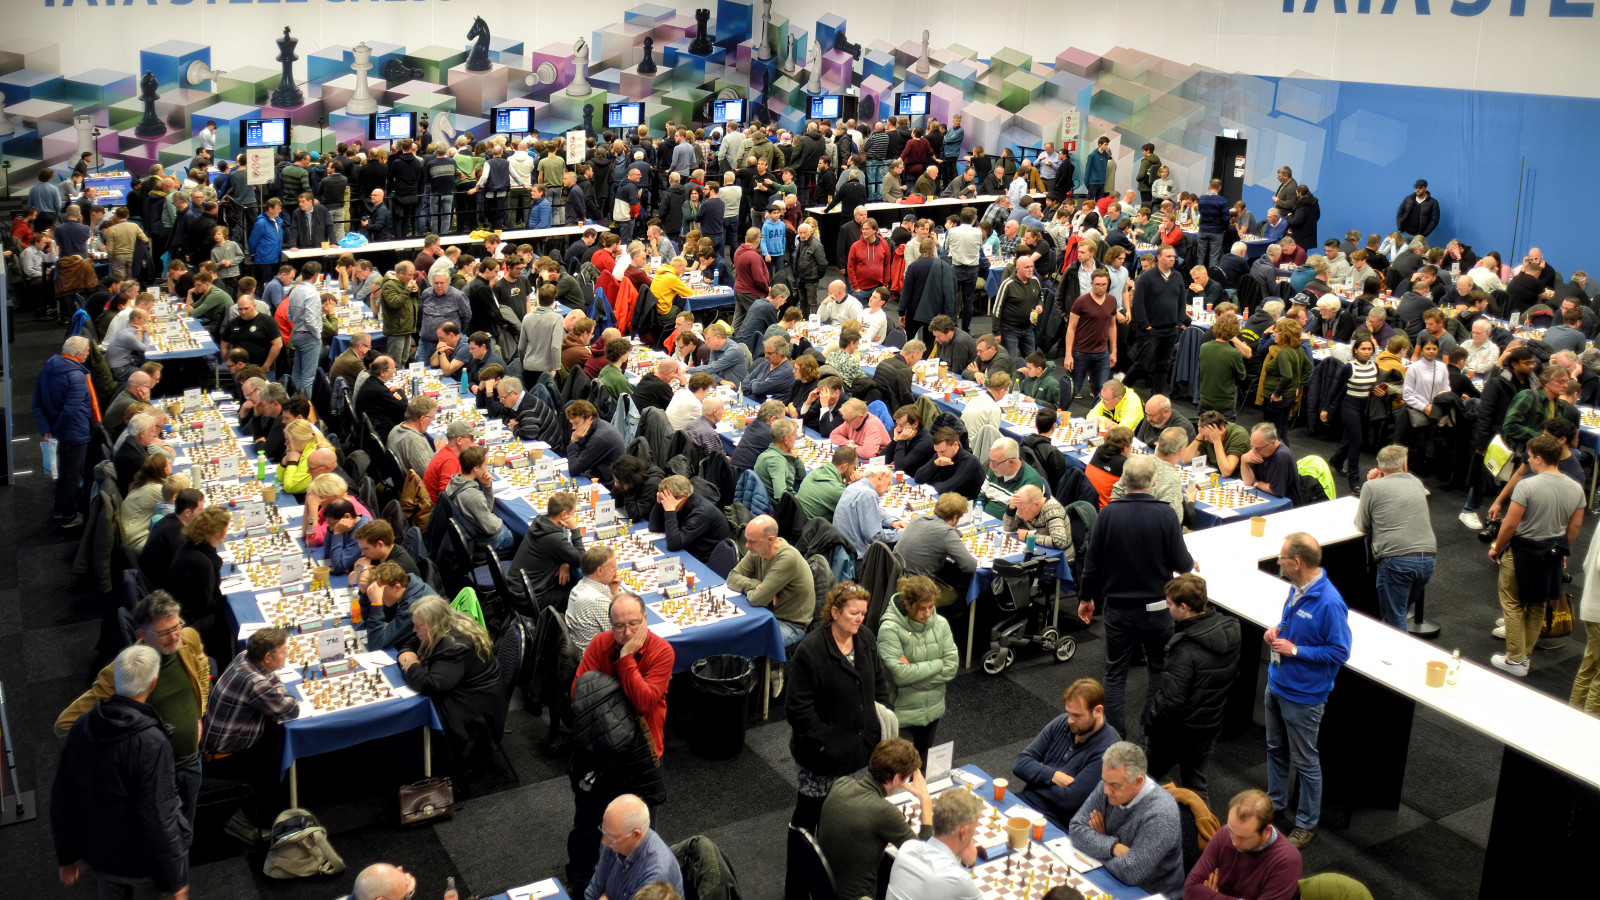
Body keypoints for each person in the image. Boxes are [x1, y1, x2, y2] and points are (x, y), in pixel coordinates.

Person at [52, 645, 191, 900]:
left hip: (100, 855)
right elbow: (159, 815)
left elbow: (62, 794)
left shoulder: (83, 724)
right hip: (140, 864)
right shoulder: (151, 741)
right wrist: (175, 879)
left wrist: (68, 854)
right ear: (154, 683)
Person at [1078, 455, 1193, 735]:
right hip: (1157, 609)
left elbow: (1091, 564)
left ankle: (1115, 736)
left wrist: (1085, 598)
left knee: (1115, 673)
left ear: (1123, 481)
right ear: (1154, 482)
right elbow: (1184, 564)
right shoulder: (1166, 514)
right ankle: (1149, 732)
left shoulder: (1107, 514)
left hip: (1118, 608)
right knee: (1157, 669)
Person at [568, 594, 674, 890]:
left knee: (637, 834)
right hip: (599, 753)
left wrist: (626, 657)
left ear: (645, 620)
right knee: (588, 825)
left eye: (633, 624)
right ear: (609, 624)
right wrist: (621, 690)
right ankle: (580, 881)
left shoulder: (661, 651)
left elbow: (643, 702)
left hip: (641, 754)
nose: (626, 632)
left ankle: (638, 889)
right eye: (618, 626)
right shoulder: (600, 643)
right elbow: (580, 693)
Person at [1265, 533, 1353, 849]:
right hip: (1276, 682)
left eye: (1282, 558)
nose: (1278, 562)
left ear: (1297, 562)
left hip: (1303, 696)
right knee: (1275, 747)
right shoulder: (1296, 588)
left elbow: (1340, 652)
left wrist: (1296, 651)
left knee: (1305, 760)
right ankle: (1274, 803)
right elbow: (1292, 626)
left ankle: (1306, 824)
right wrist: (1278, 630)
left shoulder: (1330, 602)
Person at [786, 583, 889, 831]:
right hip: (821, 758)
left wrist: (880, 723)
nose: (860, 619)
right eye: (854, 613)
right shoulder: (810, 651)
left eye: (863, 614)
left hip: (861, 750)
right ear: (834, 612)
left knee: (850, 819)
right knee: (810, 819)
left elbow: (878, 683)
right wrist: (826, 744)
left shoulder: (865, 638)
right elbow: (798, 710)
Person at [1489, 435, 1586, 677]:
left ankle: (1515, 659)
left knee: (1511, 602)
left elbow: (1510, 525)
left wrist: (1496, 548)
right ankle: (1525, 658)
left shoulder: (1527, 486)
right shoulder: (1576, 489)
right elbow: (1574, 528)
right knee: (1537, 605)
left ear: (1539, 458)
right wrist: (1565, 551)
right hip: (1553, 553)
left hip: (1523, 551)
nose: (1529, 461)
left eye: (1530, 457)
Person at [1143, 574, 1238, 802]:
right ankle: (1204, 835)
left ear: (1184, 607)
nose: (1167, 607)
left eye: (1170, 603)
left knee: (1143, 783)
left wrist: (1150, 722)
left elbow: (1170, 702)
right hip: (1209, 724)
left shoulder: (1184, 648)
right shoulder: (1232, 629)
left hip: (1178, 732)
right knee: (1196, 789)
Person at [200, 627, 299, 842]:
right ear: (267, 657)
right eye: (283, 652)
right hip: (225, 757)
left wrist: (278, 687)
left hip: (218, 742)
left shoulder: (245, 656)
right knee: (273, 765)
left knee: (274, 735)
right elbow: (291, 709)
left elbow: (272, 680)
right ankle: (242, 820)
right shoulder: (256, 683)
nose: (287, 655)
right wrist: (281, 691)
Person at [818, 738, 935, 900]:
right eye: (906, 779)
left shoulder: (842, 784)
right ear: (895, 779)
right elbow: (924, 859)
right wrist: (925, 802)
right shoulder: (884, 812)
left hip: (825, 887)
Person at [398, 596, 505, 766]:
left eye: (419, 626)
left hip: (474, 711)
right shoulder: (446, 622)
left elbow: (431, 685)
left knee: (412, 711)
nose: (414, 630)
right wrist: (408, 656)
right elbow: (409, 646)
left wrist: (411, 665)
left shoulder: (453, 645)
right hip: (476, 696)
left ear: (433, 624)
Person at [1068, 741, 1185, 897]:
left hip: (1148, 892)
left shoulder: (1161, 813)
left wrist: (1094, 842)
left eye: (1114, 785)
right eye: (1104, 781)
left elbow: (1131, 871)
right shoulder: (1110, 782)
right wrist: (1112, 847)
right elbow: (1076, 829)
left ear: (1138, 781)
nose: (1106, 790)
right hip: (1110, 875)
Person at [1013, 678, 1119, 828]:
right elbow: (1020, 763)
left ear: (1098, 711)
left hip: (1053, 822)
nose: (1070, 720)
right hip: (1023, 802)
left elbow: (1069, 800)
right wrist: (1053, 776)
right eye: (1069, 713)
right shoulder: (1062, 722)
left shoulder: (1108, 751)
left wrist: (1035, 777)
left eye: (1077, 715)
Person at [1356, 445, 1438, 630]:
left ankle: (1398, 657)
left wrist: (1372, 485)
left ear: (1379, 466)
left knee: (1394, 620)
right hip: (1427, 560)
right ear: (1404, 464)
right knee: (1399, 612)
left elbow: (1361, 524)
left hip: (1396, 561)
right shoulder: (1416, 482)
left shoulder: (1371, 486)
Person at [878, 575, 959, 761]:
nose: (928, 613)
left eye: (931, 606)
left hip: (933, 710)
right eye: (922, 608)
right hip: (901, 715)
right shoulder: (889, 629)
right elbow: (900, 676)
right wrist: (939, 663)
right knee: (899, 771)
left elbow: (952, 668)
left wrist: (914, 671)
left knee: (923, 768)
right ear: (907, 603)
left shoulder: (941, 624)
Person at [1183, 789, 1304, 900]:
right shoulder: (1224, 834)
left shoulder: (1287, 861)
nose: (1234, 841)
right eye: (1231, 830)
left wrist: (1210, 896)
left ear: (1266, 830)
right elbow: (1189, 890)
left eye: (1243, 837)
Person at [728, 515, 816, 653]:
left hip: (790, 625)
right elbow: (732, 578)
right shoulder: (758, 550)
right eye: (747, 540)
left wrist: (761, 593)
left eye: (752, 541)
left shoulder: (787, 558)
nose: (746, 545)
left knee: (743, 647)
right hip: (765, 614)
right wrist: (756, 585)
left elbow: (756, 599)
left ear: (770, 540)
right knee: (730, 635)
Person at [33, 336, 95, 527]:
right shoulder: (76, 376)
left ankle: (61, 510)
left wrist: (47, 430)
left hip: (56, 433)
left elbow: (37, 404)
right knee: (73, 475)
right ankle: (67, 515)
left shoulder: (47, 370)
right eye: (86, 351)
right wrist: (56, 432)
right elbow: (70, 410)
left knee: (62, 474)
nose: (88, 354)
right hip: (74, 434)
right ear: (77, 353)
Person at [885, 784, 985, 900]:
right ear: (964, 831)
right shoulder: (958, 879)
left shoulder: (907, 848)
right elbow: (957, 885)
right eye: (974, 829)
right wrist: (967, 866)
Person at [585, 794, 684, 900]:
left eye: (612, 837)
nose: (604, 841)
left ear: (636, 834)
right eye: (603, 831)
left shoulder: (656, 877)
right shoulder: (615, 837)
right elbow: (593, 891)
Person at [509, 492, 587, 609]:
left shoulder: (540, 521)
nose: (573, 517)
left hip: (515, 588)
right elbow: (583, 560)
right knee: (579, 600)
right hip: (530, 599)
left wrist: (565, 561)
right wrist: (575, 530)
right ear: (564, 514)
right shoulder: (555, 539)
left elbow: (559, 550)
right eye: (573, 513)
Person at [444, 445, 515, 552]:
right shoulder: (473, 496)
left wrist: (487, 487)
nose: (487, 468)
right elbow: (491, 528)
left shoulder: (455, 481)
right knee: (517, 534)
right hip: (482, 541)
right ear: (476, 468)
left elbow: (487, 508)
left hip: (472, 532)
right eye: (486, 464)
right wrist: (503, 521)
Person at [835, 464, 906, 558]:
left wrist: (892, 521)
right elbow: (874, 537)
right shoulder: (868, 494)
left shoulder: (855, 486)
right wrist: (903, 533)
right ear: (880, 476)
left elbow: (871, 510)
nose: (888, 490)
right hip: (855, 557)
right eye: (888, 484)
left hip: (842, 549)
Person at [980, 436, 1045, 518]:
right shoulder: (995, 470)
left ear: (1011, 462)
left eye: (995, 462)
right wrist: (977, 514)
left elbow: (1025, 519)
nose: (990, 465)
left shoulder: (1031, 483)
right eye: (990, 460)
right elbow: (981, 497)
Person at [566, 400, 626, 485]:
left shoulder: (599, 438)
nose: (573, 428)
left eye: (576, 423)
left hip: (610, 484)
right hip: (598, 474)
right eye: (572, 424)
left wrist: (573, 441)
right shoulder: (595, 426)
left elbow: (574, 470)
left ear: (589, 419)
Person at [1003, 485, 1073, 556]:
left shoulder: (1053, 509)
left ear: (1036, 504)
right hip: (1039, 550)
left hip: (1060, 559)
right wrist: (1011, 508)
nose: (1019, 513)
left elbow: (1060, 542)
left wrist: (1029, 536)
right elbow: (1009, 529)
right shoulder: (1026, 506)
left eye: (1021, 509)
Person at [916, 428, 986, 498]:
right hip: (946, 498)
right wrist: (934, 464)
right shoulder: (940, 454)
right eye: (937, 451)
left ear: (955, 444)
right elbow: (918, 478)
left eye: (943, 451)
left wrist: (929, 483)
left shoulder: (969, 462)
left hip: (965, 503)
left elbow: (947, 488)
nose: (939, 455)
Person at [1183, 410, 1252, 478]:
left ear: (1221, 429)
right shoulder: (1205, 435)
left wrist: (1217, 441)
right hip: (1216, 472)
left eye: (1208, 435)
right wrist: (1199, 437)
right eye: (1203, 435)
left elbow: (1227, 471)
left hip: (1237, 477)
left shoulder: (1238, 435)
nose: (1206, 439)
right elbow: (1185, 459)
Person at [797, 446, 857, 519]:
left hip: (799, 521)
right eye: (853, 468)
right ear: (845, 466)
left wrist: (846, 484)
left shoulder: (817, 471)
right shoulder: (835, 490)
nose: (853, 472)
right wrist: (857, 484)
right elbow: (856, 509)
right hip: (812, 528)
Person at [1240, 422, 1297, 498]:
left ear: (1272, 443)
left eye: (1258, 448)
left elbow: (1276, 490)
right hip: (1264, 496)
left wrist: (1256, 483)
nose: (1253, 451)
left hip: (1288, 503)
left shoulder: (1282, 456)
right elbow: (1248, 482)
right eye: (1252, 447)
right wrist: (1244, 461)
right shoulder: (1259, 451)